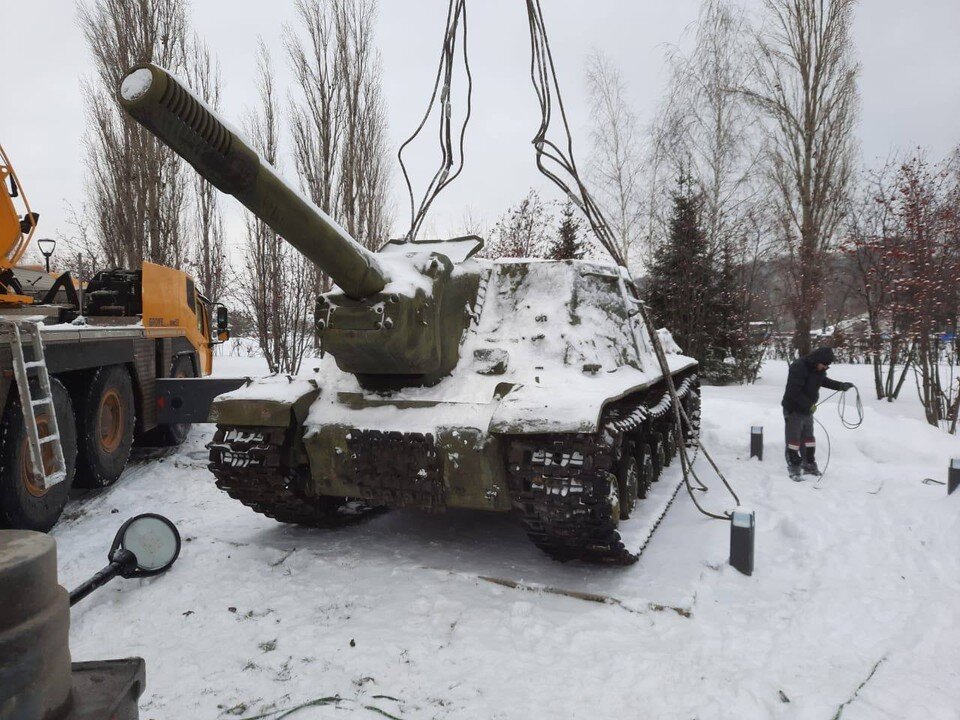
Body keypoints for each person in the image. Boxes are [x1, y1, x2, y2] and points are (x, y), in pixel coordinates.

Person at [781, 346, 853, 479]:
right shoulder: (799, 367)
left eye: (827, 366)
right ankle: (794, 467)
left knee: (809, 439)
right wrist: (808, 405)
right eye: (824, 365)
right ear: (816, 360)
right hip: (793, 408)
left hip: (807, 409)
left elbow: (822, 381)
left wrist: (840, 385)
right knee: (794, 440)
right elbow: (793, 392)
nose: (825, 367)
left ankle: (808, 464)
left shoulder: (818, 368)